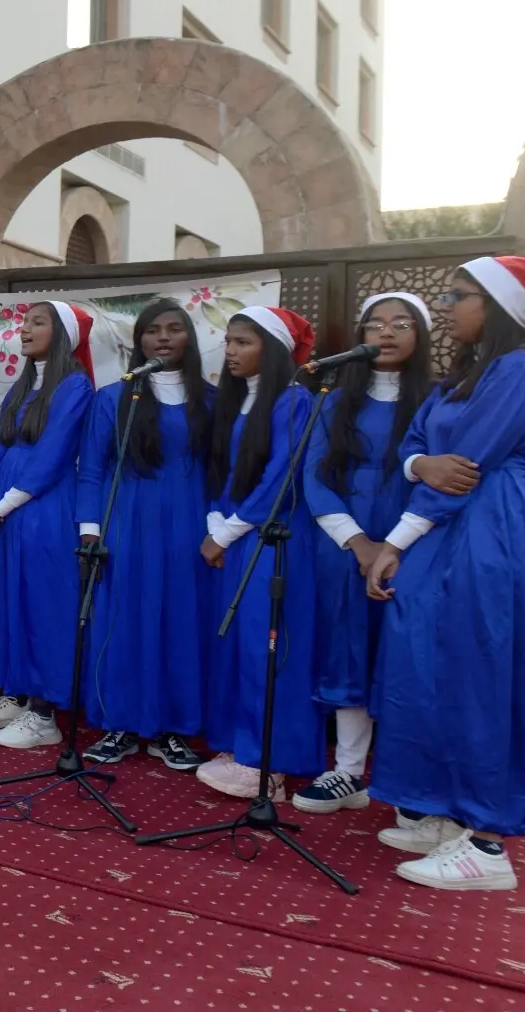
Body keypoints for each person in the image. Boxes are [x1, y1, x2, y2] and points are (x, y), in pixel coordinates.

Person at [365, 256, 525, 892]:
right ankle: (446, 809)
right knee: (430, 664)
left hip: (492, 527)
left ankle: (488, 841)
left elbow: (471, 463)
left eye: (461, 296)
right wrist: (420, 465)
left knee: (484, 670)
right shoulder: (464, 376)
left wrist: (396, 537)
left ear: (499, 307)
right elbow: (413, 447)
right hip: (443, 527)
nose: (448, 306)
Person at [292, 293, 432, 812]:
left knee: (405, 658)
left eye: (401, 323)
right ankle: (348, 773)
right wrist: (358, 543)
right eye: (375, 325)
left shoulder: (438, 401)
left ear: (421, 335)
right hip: (345, 545)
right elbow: (316, 478)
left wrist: (395, 545)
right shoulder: (332, 401)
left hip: (418, 544)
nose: (387, 333)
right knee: (349, 649)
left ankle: (408, 787)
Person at [79, 299, 215, 771]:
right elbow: (93, 471)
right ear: (138, 342)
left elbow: (224, 473)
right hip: (128, 525)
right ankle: (120, 722)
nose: (163, 337)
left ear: (189, 339)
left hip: (191, 527)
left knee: (181, 623)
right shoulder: (117, 397)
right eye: (152, 330)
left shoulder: (213, 401)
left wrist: (219, 530)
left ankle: (172, 728)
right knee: (125, 622)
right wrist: (90, 531)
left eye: (174, 329)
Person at [195, 306, 322, 799]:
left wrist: (224, 533)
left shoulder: (292, 402)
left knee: (268, 650)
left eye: (243, 342)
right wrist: (215, 524)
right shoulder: (238, 403)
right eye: (228, 341)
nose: (230, 351)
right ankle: (238, 745)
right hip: (233, 536)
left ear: (272, 351)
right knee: (237, 648)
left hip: (270, 541)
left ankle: (269, 763)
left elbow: (280, 482)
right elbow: (220, 473)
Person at [0, 301, 94, 748]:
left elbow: (51, 459)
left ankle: (44, 715)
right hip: (4, 509)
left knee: (42, 605)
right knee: (8, 601)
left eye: (37, 323)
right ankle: (17, 694)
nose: (24, 329)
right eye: (25, 322)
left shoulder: (76, 386)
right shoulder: (20, 389)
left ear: (62, 334)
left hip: (43, 509)